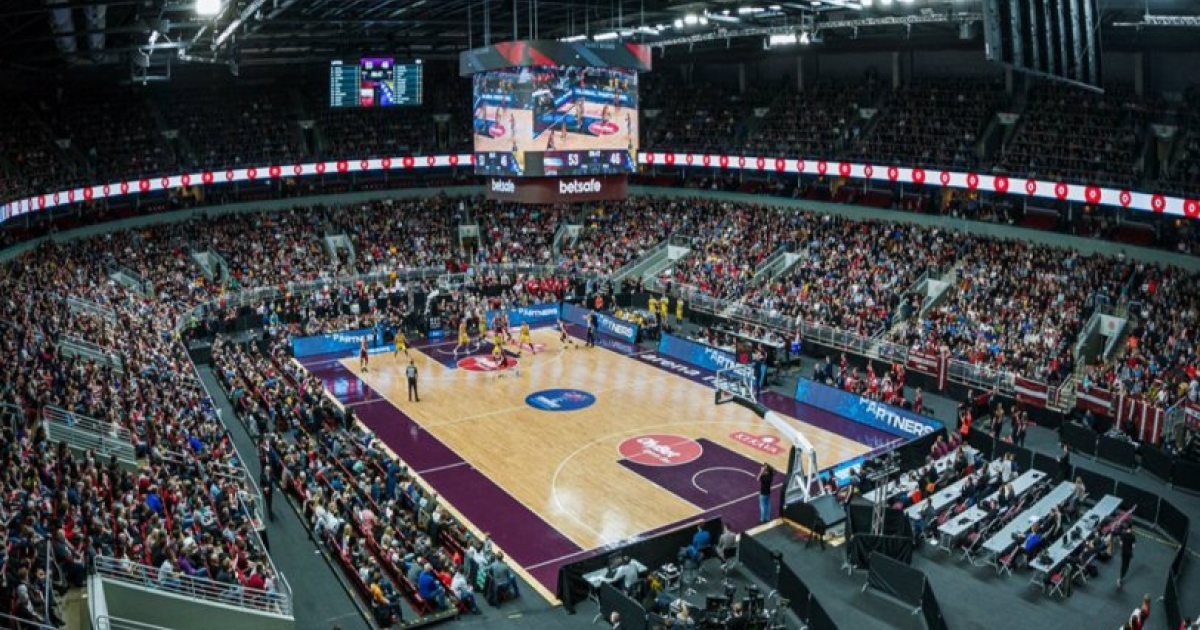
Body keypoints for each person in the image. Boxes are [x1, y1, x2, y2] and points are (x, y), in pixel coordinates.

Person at [1118, 522, 1135, 588]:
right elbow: (1133, 546)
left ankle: (1120, 577)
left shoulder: (1123, 534)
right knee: (1126, 566)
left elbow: (1120, 544)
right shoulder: (1133, 536)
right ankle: (1121, 578)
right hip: (1129, 553)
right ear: (1131, 528)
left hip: (1123, 552)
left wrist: (1123, 547)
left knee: (1123, 564)